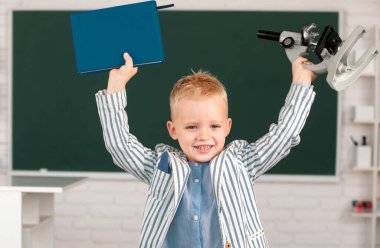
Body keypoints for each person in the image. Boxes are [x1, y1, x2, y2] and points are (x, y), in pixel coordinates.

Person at [95, 53, 316, 248]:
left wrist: (301, 83)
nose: (203, 136)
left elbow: (284, 134)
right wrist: (116, 86)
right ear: (173, 130)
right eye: (191, 127)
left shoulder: (242, 163)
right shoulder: (161, 166)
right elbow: (120, 145)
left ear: (227, 127)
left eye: (215, 126)